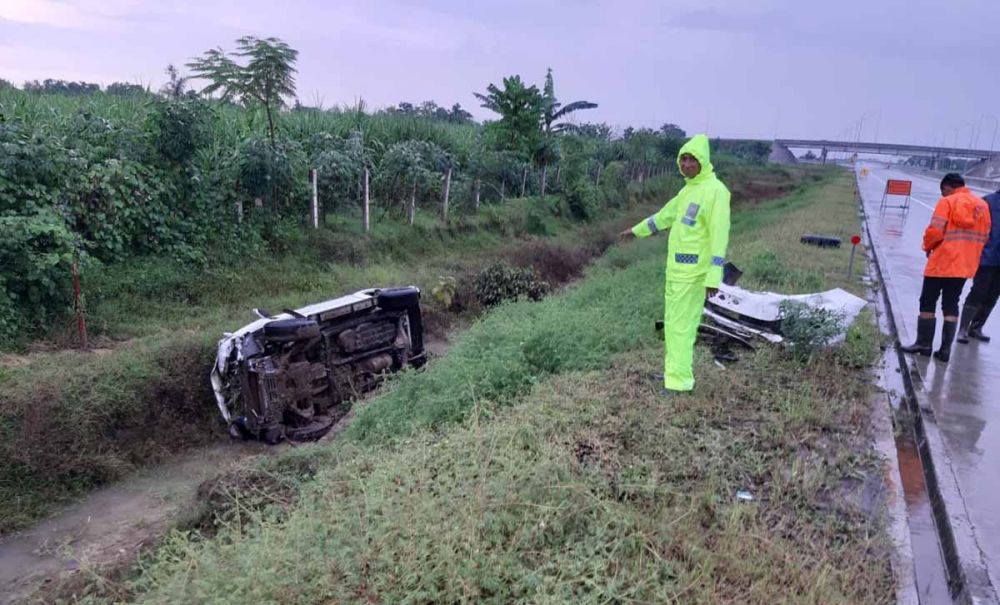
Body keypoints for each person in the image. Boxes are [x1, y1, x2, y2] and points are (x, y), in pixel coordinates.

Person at [618, 134, 730, 393]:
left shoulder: (716, 192)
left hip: (694, 275)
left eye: (692, 160)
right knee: (673, 325)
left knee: (681, 327)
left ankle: (679, 383)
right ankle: (673, 373)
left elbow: (719, 236)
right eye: (683, 160)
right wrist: (635, 231)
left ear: (703, 161)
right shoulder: (688, 190)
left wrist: (714, 276)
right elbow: (663, 217)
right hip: (676, 273)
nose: (686, 165)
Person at [901, 173, 991, 361]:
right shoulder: (981, 206)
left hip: (942, 262)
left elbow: (935, 231)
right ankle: (944, 351)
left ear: (947, 187)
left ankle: (924, 345)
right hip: (964, 265)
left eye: (943, 191)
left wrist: (928, 246)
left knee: (927, 301)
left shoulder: (947, 202)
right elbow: (985, 236)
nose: (942, 195)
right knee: (951, 304)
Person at [958, 187, 1000, 343]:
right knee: (978, 292)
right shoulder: (987, 201)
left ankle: (976, 328)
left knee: (993, 295)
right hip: (986, 256)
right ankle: (963, 329)